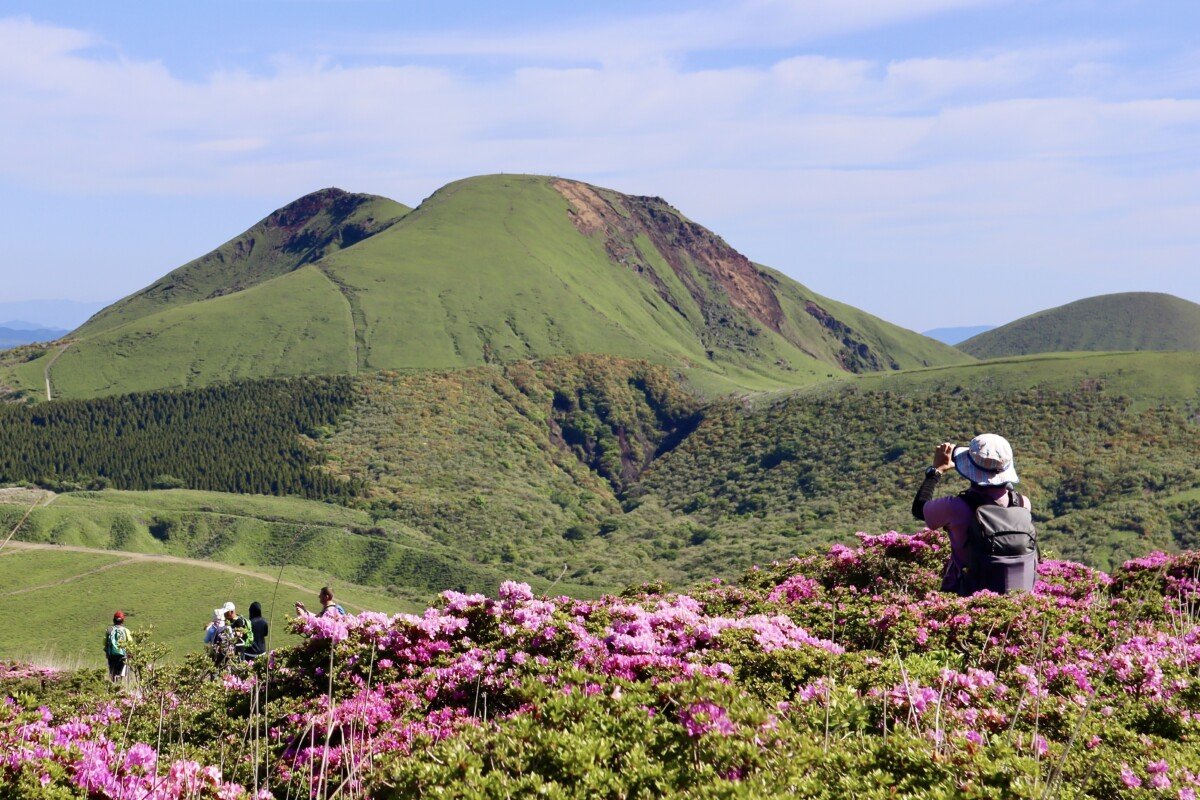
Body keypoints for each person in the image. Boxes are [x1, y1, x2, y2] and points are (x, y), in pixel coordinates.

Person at [912, 433, 1038, 596]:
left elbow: (919, 508)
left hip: (968, 596)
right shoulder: (1023, 503)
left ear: (970, 469)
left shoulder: (955, 507)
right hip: (1019, 599)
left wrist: (935, 471)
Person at [104, 611, 132, 683]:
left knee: (112, 672)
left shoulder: (109, 630)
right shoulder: (126, 630)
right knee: (120, 673)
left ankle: (113, 685)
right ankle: (118, 686)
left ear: (114, 620)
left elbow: (104, 642)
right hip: (122, 655)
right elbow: (130, 642)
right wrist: (130, 653)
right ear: (123, 620)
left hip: (111, 655)